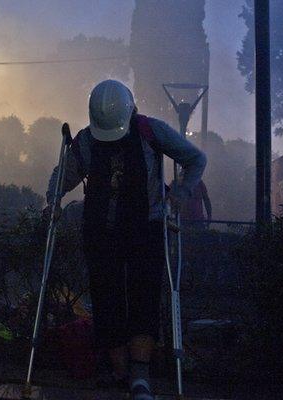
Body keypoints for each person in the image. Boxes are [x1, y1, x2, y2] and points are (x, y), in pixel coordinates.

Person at [45, 80, 206, 400]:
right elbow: (63, 175)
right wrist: (53, 201)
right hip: (101, 231)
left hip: (145, 226)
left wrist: (183, 193)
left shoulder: (150, 131)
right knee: (107, 300)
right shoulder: (87, 142)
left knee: (144, 297)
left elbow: (194, 159)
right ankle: (121, 372)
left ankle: (140, 376)